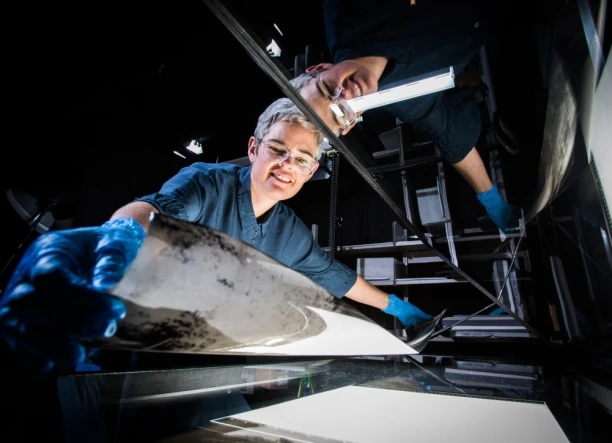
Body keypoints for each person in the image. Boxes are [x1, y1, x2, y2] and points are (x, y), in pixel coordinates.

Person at [0, 97, 432, 371]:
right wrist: (116, 233)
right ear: (253, 149)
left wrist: (399, 307)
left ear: (312, 171)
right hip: (128, 337)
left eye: (302, 159)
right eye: (278, 150)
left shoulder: (289, 233)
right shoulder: (208, 183)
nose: (286, 165)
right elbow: (152, 210)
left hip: (203, 353)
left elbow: (332, 274)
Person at [291, 0, 514, 231]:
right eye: (339, 114)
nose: (344, 96)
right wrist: (490, 199)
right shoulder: (407, 103)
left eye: (327, 89)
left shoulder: (346, 12)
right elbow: (453, 140)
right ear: (349, 125)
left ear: (319, 69)